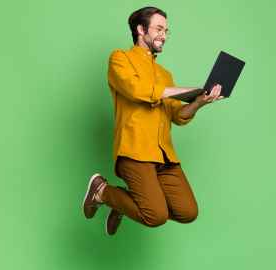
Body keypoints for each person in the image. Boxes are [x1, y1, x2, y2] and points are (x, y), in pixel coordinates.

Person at [82, 6, 223, 235]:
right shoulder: (121, 58)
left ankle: (123, 203)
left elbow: (178, 116)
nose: (164, 35)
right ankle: (102, 191)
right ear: (140, 29)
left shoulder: (165, 75)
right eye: (159, 28)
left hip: (164, 155)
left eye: (167, 31)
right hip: (134, 151)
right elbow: (137, 90)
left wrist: (199, 102)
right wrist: (182, 90)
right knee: (155, 216)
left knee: (188, 212)